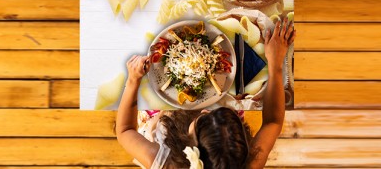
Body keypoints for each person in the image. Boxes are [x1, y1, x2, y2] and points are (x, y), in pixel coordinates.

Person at [116, 18, 295, 168]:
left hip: (166, 126)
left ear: (191, 148)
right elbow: (273, 122)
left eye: (204, 118)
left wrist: (133, 80)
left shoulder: (166, 163)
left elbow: (125, 131)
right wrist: (276, 64)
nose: (206, 110)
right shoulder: (248, 164)